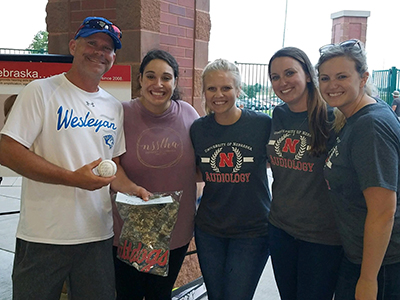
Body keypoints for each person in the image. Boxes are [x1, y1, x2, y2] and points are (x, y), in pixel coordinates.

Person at [0, 16, 124, 299]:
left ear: (114, 57)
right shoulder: (40, 91)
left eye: (108, 48)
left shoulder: (114, 107)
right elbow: (7, 150)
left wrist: (138, 193)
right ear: (73, 46)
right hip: (44, 236)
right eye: (91, 43)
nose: (99, 52)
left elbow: (114, 165)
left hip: (96, 235)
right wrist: (72, 179)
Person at [111, 49, 200, 300]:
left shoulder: (189, 114)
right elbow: (111, 164)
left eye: (166, 78)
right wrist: (131, 188)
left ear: (175, 82)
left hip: (176, 232)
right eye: (150, 76)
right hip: (129, 232)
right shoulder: (121, 113)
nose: (158, 84)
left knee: (160, 295)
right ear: (140, 79)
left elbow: (200, 165)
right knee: (128, 295)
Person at [317, 39, 400, 300]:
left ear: (363, 77)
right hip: (361, 255)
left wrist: (367, 280)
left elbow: (383, 211)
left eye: (342, 76)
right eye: (325, 78)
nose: (332, 85)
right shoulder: (354, 117)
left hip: (383, 264)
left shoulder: (370, 127)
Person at [190, 58, 271, 300]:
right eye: (211, 88)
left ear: (238, 89)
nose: (219, 94)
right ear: (203, 91)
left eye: (226, 88)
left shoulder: (262, 125)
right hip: (209, 230)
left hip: (252, 232)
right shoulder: (198, 129)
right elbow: (194, 170)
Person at [267, 47, 342, 300]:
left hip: (321, 237)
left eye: (290, 73)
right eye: (275, 77)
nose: (282, 82)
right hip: (280, 229)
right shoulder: (278, 114)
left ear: (308, 75)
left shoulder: (333, 118)